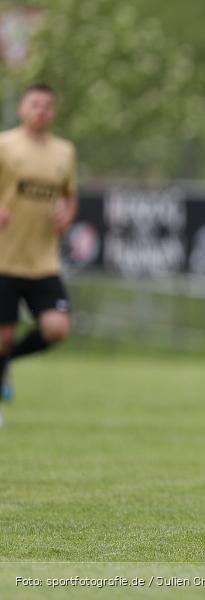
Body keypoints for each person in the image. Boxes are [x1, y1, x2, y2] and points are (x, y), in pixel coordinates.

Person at [0, 84, 78, 426]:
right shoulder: (5, 145)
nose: (41, 110)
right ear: (22, 109)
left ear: (54, 112)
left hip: (43, 260)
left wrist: (67, 214)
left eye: (47, 105)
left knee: (57, 327)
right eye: (35, 104)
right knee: (2, 336)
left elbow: (69, 196)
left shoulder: (64, 151)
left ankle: (6, 363)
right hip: (4, 258)